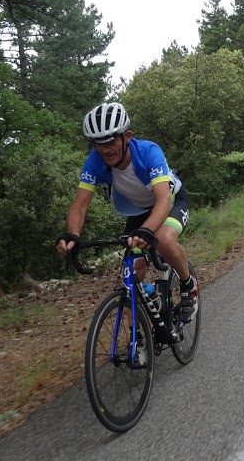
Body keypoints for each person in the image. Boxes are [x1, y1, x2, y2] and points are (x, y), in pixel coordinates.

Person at [56, 101, 199, 322]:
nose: (106, 149)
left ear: (127, 136)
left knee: (164, 240)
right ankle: (138, 339)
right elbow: (80, 205)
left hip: (171, 201)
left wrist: (147, 230)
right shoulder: (95, 162)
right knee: (132, 276)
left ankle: (188, 285)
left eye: (112, 140)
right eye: (98, 144)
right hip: (139, 211)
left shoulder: (148, 152)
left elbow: (163, 199)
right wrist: (73, 234)